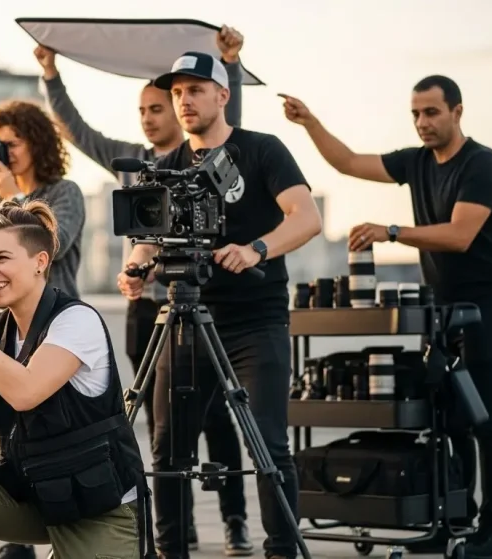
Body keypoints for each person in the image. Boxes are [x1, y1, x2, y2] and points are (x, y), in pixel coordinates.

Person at [21, 26, 253, 559]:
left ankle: (236, 521)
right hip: (147, 309)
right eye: (143, 109)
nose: (149, 118)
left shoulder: (207, 158)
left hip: (204, 303)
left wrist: (231, 69)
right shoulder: (132, 160)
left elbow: (232, 119)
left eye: (158, 108)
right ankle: (173, 529)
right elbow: (76, 131)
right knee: (161, 425)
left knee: (217, 416)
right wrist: (51, 76)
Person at [280, 75, 492, 559]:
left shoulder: (483, 164)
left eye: (431, 112)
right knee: (448, 421)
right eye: (415, 114)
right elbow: (349, 162)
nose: (422, 122)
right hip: (441, 311)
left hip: (488, 307)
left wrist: (390, 231)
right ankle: (454, 519)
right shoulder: (416, 162)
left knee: (485, 418)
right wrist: (310, 123)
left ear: (456, 111)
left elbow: (459, 236)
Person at [118, 52, 323, 559]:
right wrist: (136, 268)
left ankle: (282, 551)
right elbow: (146, 237)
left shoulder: (261, 150)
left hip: (256, 320)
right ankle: (170, 551)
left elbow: (306, 217)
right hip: (183, 320)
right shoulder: (165, 166)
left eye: (195, 90)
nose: (184, 101)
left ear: (223, 95)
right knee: (168, 449)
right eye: (177, 93)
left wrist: (256, 249)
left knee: (269, 444)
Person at [0, 200, 148, 559]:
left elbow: (26, 392)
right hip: (33, 496)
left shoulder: (75, 321)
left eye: (2, 258)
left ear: (40, 262)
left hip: (96, 508)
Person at [0, 99, 85, 301]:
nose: (6, 153)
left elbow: (54, 246)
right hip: (3, 311)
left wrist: (13, 196)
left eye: (12, 145)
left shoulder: (65, 191)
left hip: (53, 309)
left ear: (37, 146)